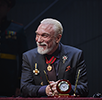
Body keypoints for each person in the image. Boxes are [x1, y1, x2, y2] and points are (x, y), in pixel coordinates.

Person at [21, 18, 89, 97]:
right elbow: (24, 88)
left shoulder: (76, 55)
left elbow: (84, 89)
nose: (38, 40)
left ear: (57, 38)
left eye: (44, 36)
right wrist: (44, 90)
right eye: (37, 34)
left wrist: (63, 88)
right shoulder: (28, 57)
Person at [0, 0, 28, 97]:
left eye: (2, 5)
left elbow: (23, 58)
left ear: (8, 8)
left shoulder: (16, 28)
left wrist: (19, 83)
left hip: (8, 80)